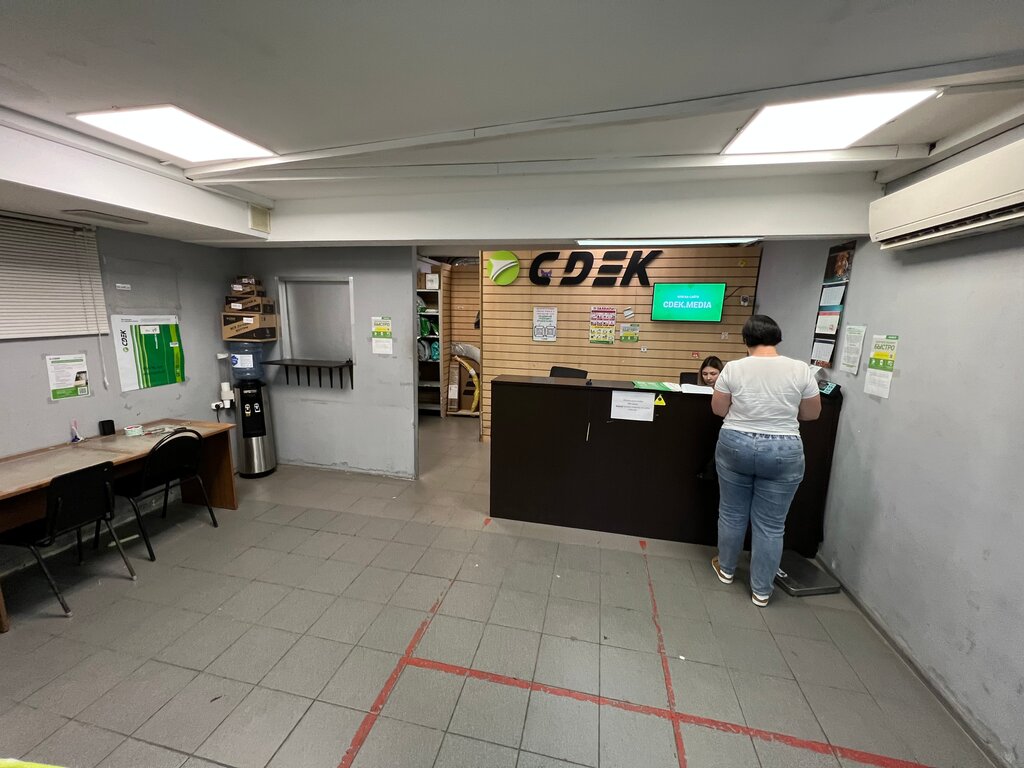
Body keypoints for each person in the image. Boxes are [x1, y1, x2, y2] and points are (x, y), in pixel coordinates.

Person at [709, 315, 821, 606]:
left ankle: (727, 570)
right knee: (771, 525)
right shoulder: (800, 369)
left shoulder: (734, 368)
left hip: (736, 443)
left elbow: (719, 409)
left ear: (746, 340)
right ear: (777, 338)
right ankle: (761, 591)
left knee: (732, 513)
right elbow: (812, 413)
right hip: (784, 447)